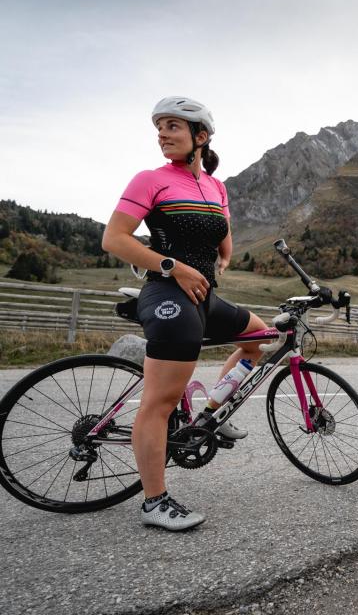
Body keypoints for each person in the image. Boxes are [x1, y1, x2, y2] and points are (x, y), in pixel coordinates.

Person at [102, 96, 267, 530]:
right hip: (166, 292)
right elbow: (115, 239)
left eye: (172, 126)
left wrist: (220, 262)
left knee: (261, 341)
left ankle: (211, 411)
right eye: (159, 127)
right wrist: (173, 266)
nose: (162, 134)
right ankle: (154, 502)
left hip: (203, 295)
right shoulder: (150, 179)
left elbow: (225, 243)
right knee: (160, 401)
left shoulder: (215, 187)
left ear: (201, 135)